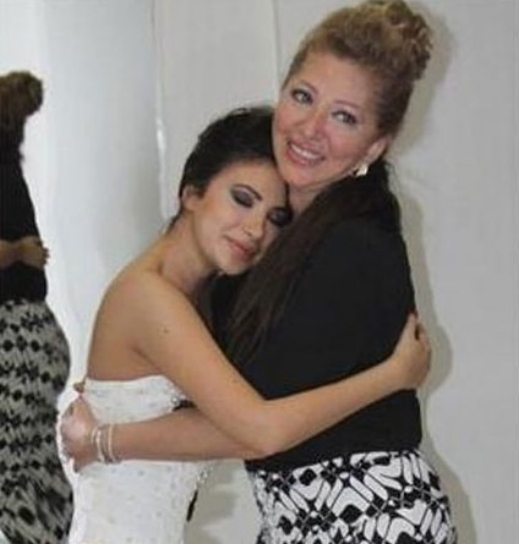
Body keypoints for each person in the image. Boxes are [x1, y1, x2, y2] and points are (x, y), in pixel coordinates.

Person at [63, 0, 457, 542]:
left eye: (344, 117)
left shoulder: (353, 245)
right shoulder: (280, 241)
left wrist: (106, 438)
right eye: (303, 96)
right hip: (302, 518)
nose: (311, 129)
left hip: (369, 517)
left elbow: (257, 427)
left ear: (375, 145)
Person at [0, 71, 73, 543]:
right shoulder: (10, 174)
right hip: (36, 334)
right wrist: (20, 251)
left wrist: (16, 253)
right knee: (36, 465)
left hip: (14, 338)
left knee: (13, 472)